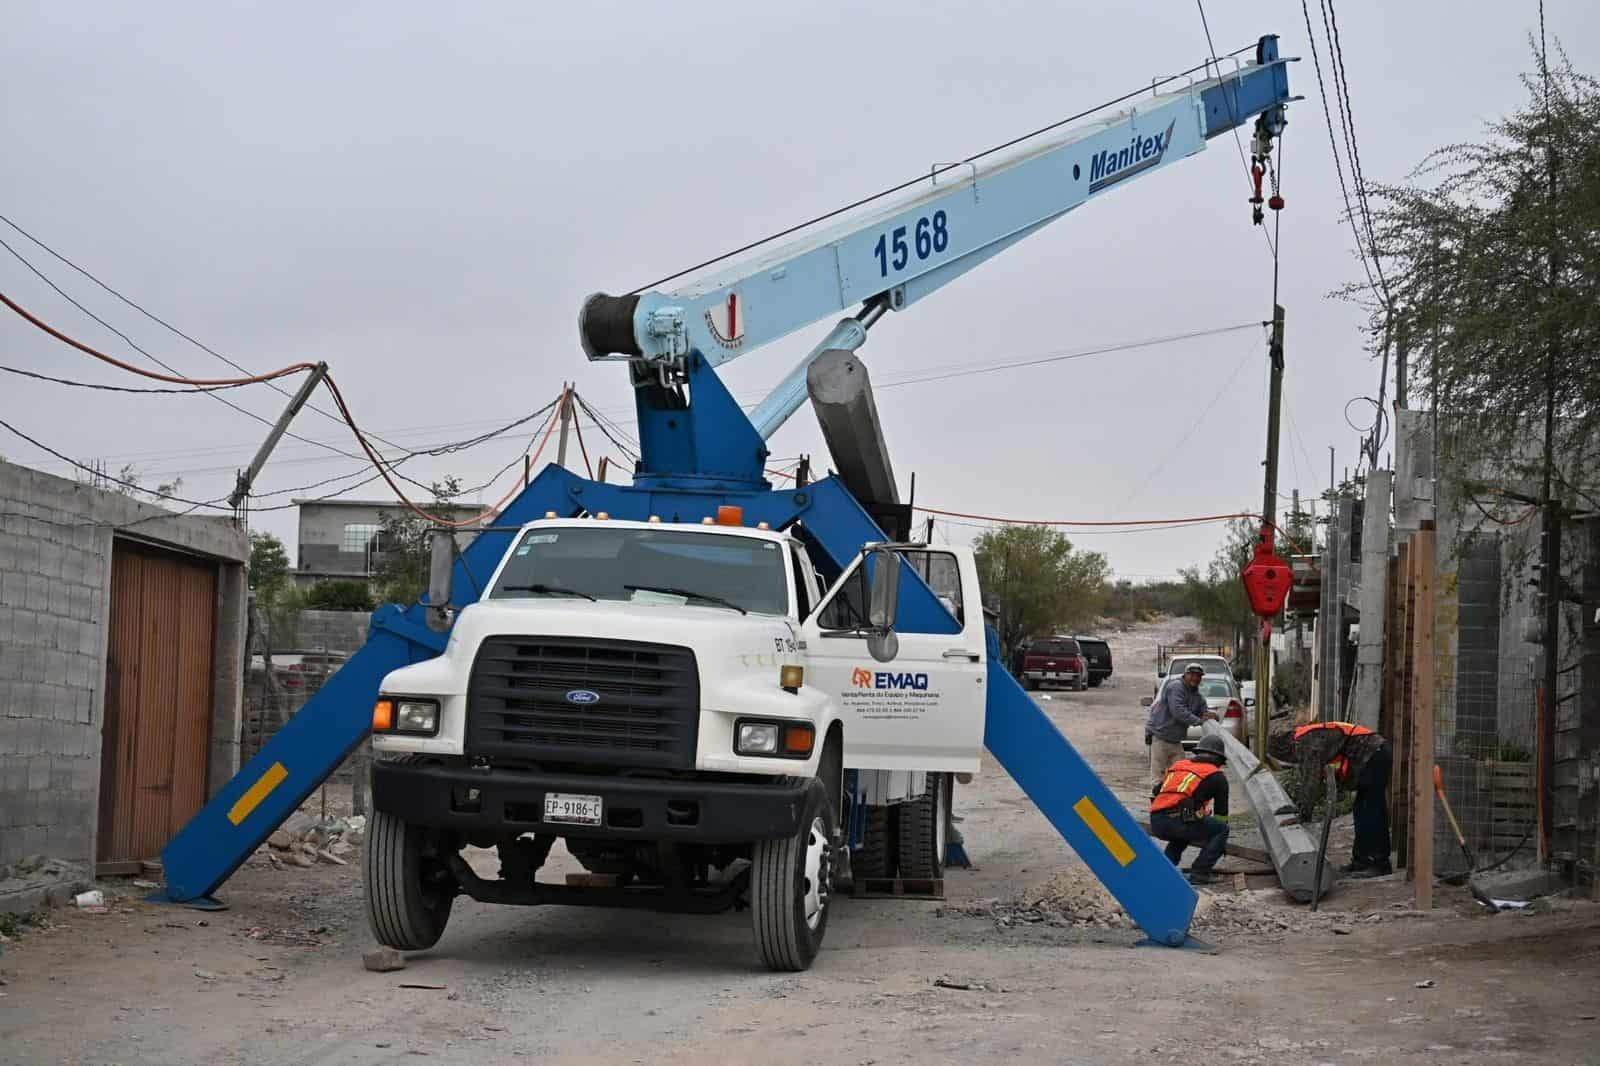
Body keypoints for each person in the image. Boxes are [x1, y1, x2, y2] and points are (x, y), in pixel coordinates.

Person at [1281, 720, 1393, 877]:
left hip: (1374, 755)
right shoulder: (1308, 737)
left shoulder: (1307, 743)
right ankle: (1361, 861)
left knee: (1370, 810)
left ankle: (1378, 863)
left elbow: (1312, 783)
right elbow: (1316, 782)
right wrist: (1300, 806)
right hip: (1373, 754)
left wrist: (1303, 814)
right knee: (1362, 810)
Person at [1148, 732, 1231, 885]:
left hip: (1157, 820)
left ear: (1197, 752)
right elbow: (1221, 815)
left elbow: (1156, 792)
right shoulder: (1216, 776)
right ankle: (1200, 872)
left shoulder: (1179, 766)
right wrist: (1219, 843)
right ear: (1219, 759)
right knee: (1220, 830)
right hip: (1178, 821)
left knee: (1186, 828)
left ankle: (1164, 869)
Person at [1143, 663, 1219, 789]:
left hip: (1176, 740)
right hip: (1160, 737)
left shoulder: (1197, 696)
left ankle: (1173, 803)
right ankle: (1156, 804)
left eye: (1198, 676)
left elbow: (1204, 711)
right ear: (1186, 675)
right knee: (1158, 777)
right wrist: (1199, 721)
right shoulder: (1176, 687)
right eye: (1192, 675)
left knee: (1180, 775)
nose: (1195, 678)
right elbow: (1178, 711)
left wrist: (1212, 716)